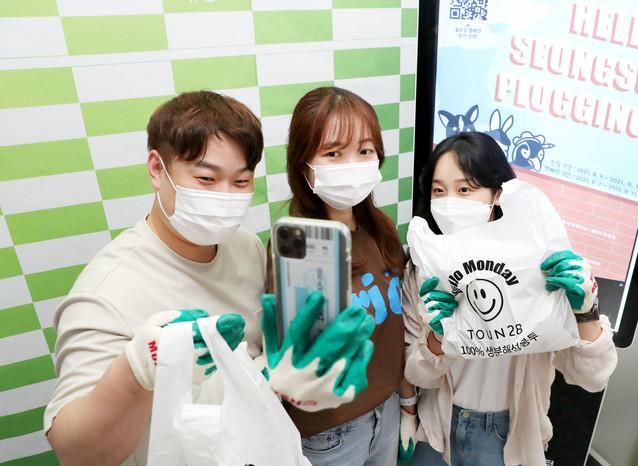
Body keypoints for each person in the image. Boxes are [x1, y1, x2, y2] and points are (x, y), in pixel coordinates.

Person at [44, 91, 268, 466]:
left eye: (241, 181)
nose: (225, 197)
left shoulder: (246, 246)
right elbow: (76, 453)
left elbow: (252, 354)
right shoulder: (106, 292)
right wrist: (139, 369)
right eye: (206, 178)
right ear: (156, 169)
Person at [402, 132, 618, 466]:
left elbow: (592, 378)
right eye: (439, 191)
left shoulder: (537, 266)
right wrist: (438, 338)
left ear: (498, 194)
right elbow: (418, 375)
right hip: (438, 428)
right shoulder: (424, 269)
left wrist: (585, 312)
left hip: (509, 437)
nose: (450, 202)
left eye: (465, 189)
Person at [261, 86, 417, 465]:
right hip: (329, 432)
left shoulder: (381, 229)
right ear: (304, 165)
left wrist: (407, 402)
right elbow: (298, 358)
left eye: (364, 151)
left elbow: (396, 330)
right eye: (333, 153)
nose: (352, 163)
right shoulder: (296, 248)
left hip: (387, 410)